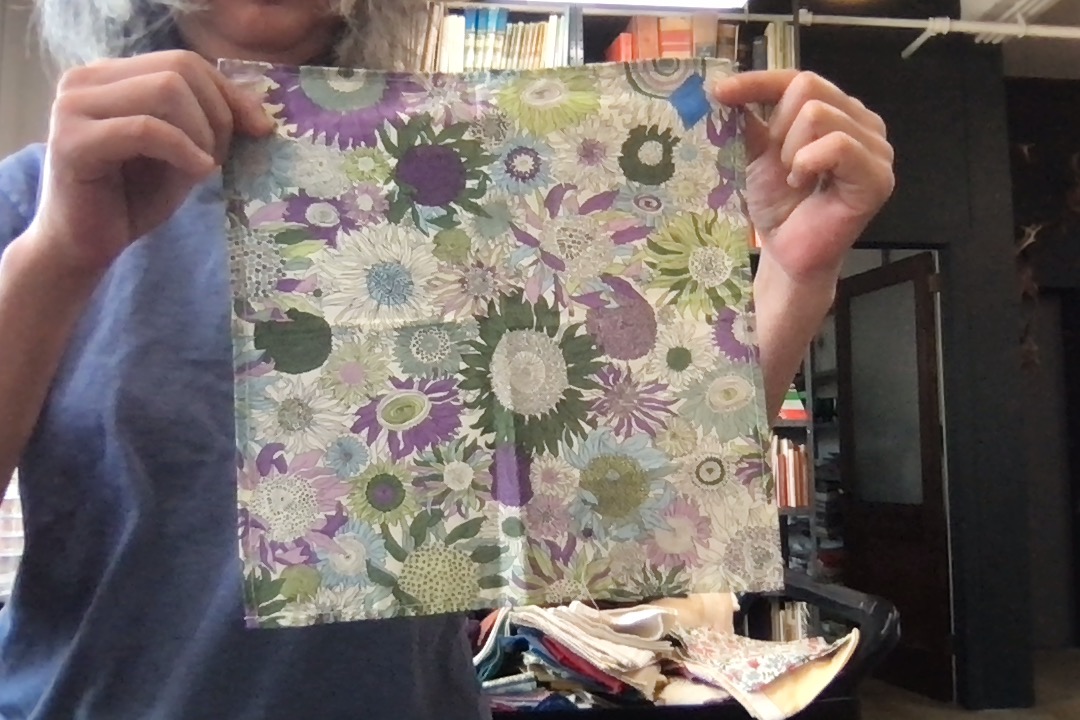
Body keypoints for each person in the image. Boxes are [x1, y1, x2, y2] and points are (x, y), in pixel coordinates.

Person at [0, 1, 895, 718]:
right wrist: (57, 257)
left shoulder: (448, 182)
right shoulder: (41, 199)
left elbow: (642, 492)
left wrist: (794, 275)